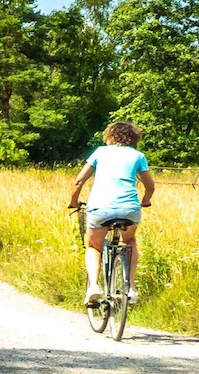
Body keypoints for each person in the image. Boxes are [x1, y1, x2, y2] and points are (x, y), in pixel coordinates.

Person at [66, 121, 154, 306]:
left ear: (110, 136)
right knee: (129, 241)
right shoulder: (138, 156)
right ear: (134, 138)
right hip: (129, 208)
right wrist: (145, 201)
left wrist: (73, 202)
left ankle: (94, 288)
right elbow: (150, 186)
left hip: (100, 207)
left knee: (93, 246)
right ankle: (130, 289)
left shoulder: (100, 152)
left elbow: (78, 181)